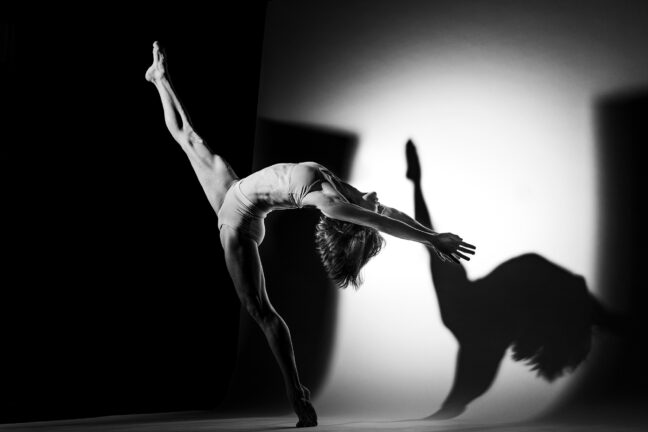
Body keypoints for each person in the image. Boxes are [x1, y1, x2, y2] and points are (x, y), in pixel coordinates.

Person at [145, 42, 475, 427]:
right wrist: (430, 225)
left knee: (260, 311)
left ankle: (295, 391)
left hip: (238, 226)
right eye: (376, 208)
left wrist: (432, 241)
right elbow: (391, 215)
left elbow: (384, 223)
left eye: (371, 214)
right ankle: (158, 78)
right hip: (236, 193)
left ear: (357, 221)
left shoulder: (334, 204)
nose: (379, 203)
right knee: (191, 140)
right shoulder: (350, 195)